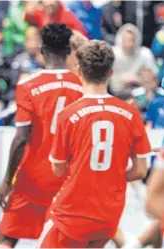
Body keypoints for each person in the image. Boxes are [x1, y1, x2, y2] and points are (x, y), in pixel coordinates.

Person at [40, 40, 151, 248]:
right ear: (110, 73)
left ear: (79, 71)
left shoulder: (68, 115)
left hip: (73, 212)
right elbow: (140, 170)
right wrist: (112, 177)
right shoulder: (131, 114)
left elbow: (58, 168)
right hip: (108, 214)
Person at [0, 23, 82, 248]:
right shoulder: (82, 86)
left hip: (33, 179)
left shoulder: (28, 84)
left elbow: (22, 137)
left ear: (42, 50)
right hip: (68, 179)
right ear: (69, 51)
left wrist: (6, 180)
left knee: (7, 237)